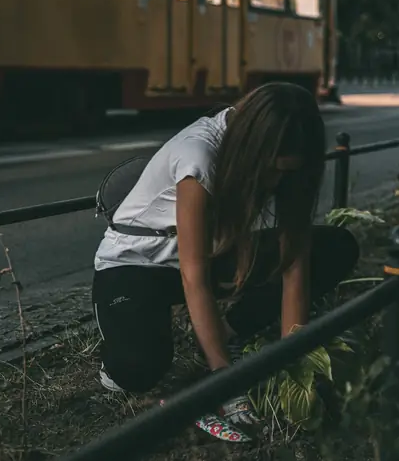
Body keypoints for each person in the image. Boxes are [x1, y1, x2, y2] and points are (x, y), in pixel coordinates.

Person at [91, 82, 360, 419]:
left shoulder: (291, 167)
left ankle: (229, 332)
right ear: (254, 149)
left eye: (288, 172)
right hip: (140, 266)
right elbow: (194, 276)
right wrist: (226, 381)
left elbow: (294, 263)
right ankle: (120, 359)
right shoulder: (200, 156)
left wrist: (297, 361)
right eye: (274, 169)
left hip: (215, 254)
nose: (278, 182)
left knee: (335, 247)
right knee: (138, 368)